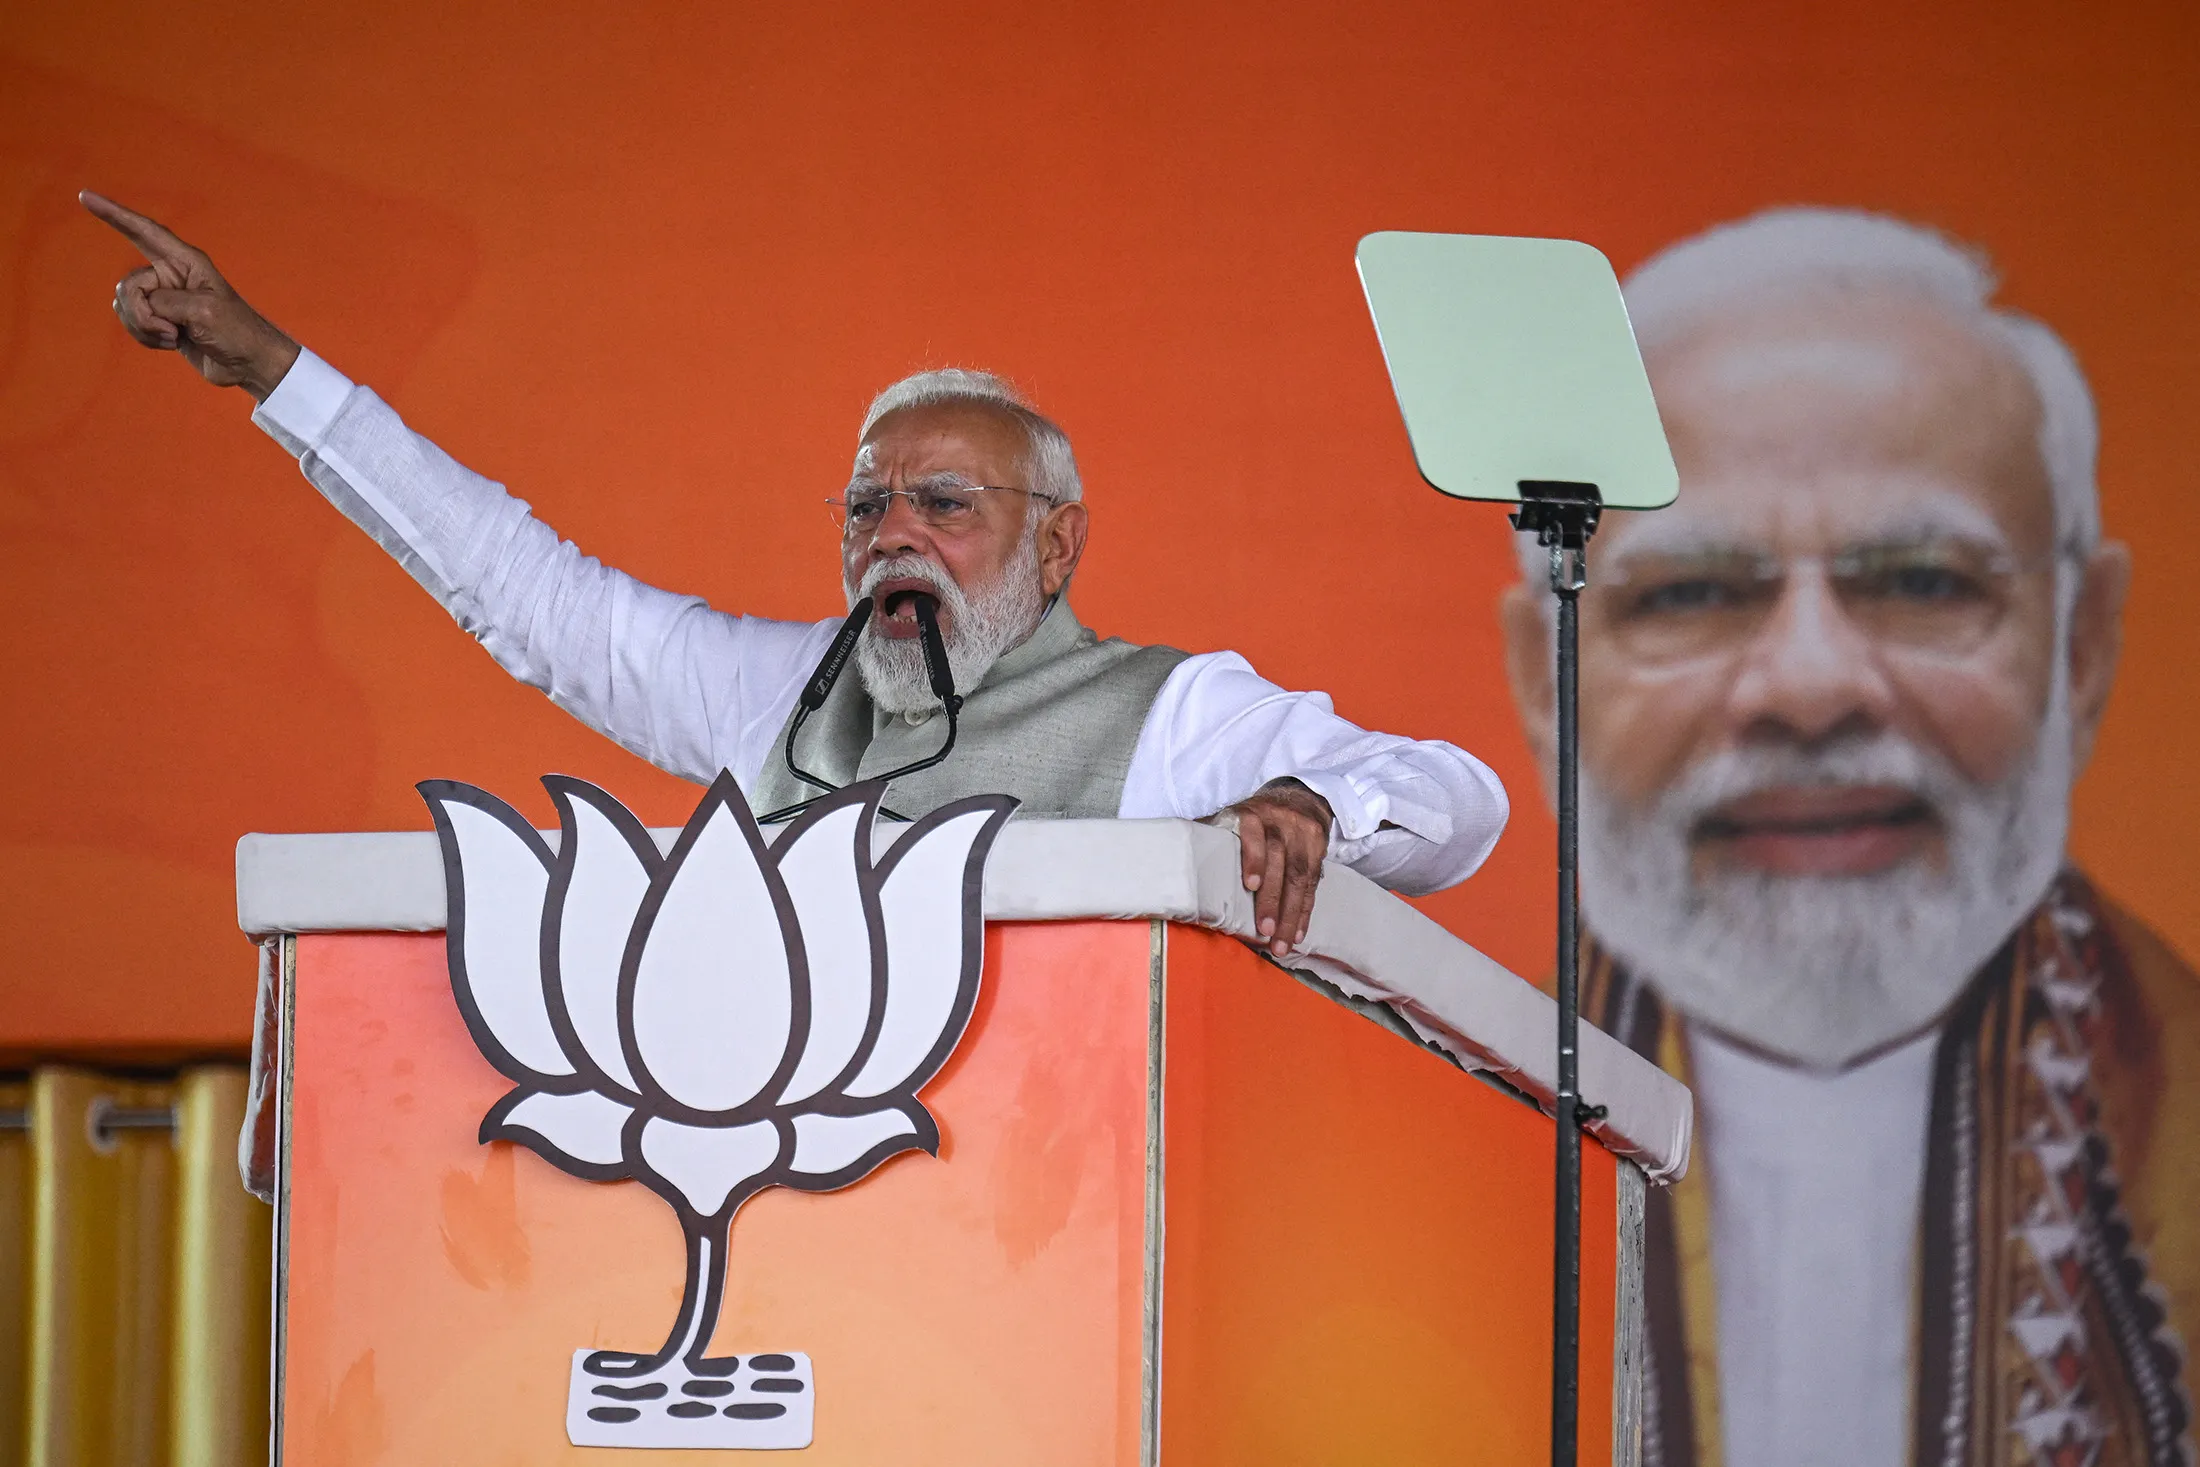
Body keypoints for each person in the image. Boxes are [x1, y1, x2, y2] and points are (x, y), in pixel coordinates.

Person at [83, 192, 1509, 955]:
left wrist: (1308, 803)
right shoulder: (775, 694)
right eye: (867, 506)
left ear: (1057, 542)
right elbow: (523, 593)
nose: (893, 533)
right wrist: (275, 371)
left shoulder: (1174, 717)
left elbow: (1461, 804)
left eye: (943, 504)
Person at [1501, 207, 2199, 1467]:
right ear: (1543, 679)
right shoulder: (1399, 1156)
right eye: (1693, 593)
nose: (1811, 689)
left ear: (2082, 647)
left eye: (1923, 581)